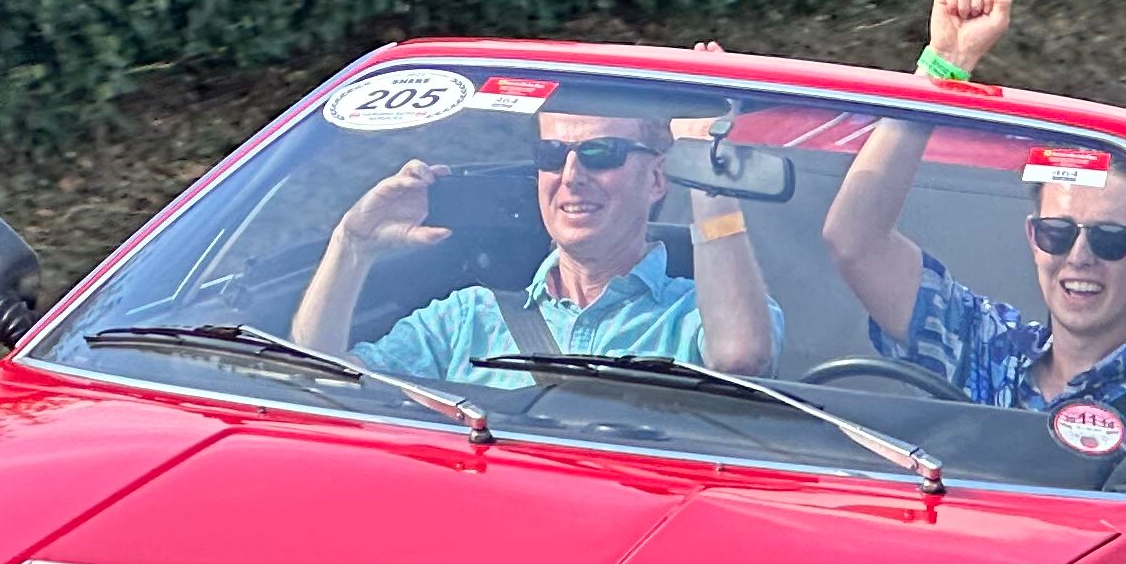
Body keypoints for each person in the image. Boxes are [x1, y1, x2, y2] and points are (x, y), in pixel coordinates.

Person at [817, 0, 1126, 468]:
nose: (1079, 257)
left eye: (1109, 239)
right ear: (1033, 238)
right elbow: (854, 241)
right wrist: (944, 64)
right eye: (1057, 233)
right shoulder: (984, 344)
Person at [290, 91, 779, 380]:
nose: (571, 175)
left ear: (655, 179)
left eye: (601, 153)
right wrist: (351, 246)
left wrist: (707, 173)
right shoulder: (466, 317)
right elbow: (320, 378)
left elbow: (739, 356)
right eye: (552, 154)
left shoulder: (691, 315)